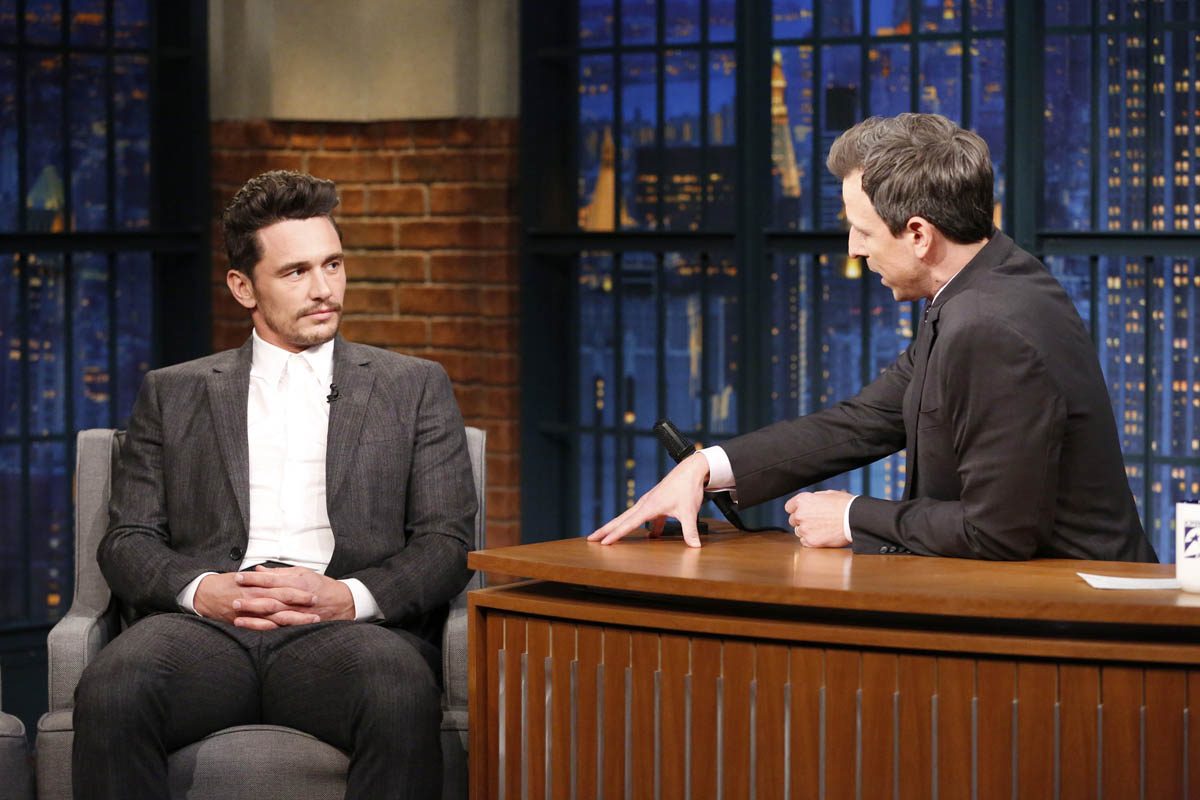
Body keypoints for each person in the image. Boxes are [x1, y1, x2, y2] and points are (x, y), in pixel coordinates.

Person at [590, 113, 1156, 563]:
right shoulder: (984, 284)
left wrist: (850, 516)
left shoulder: (987, 325)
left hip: (1078, 625)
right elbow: (864, 421)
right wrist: (703, 467)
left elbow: (997, 532)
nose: (854, 250)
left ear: (919, 234)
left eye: (862, 231)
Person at [72, 170, 476, 798]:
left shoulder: (414, 386)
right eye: (296, 272)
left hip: (348, 637)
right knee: (113, 686)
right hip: (202, 634)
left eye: (333, 264)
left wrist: (348, 597)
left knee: (397, 687)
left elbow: (445, 543)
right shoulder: (174, 392)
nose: (324, 289)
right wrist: (204, 591)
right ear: (244, 287)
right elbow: (128, 540)